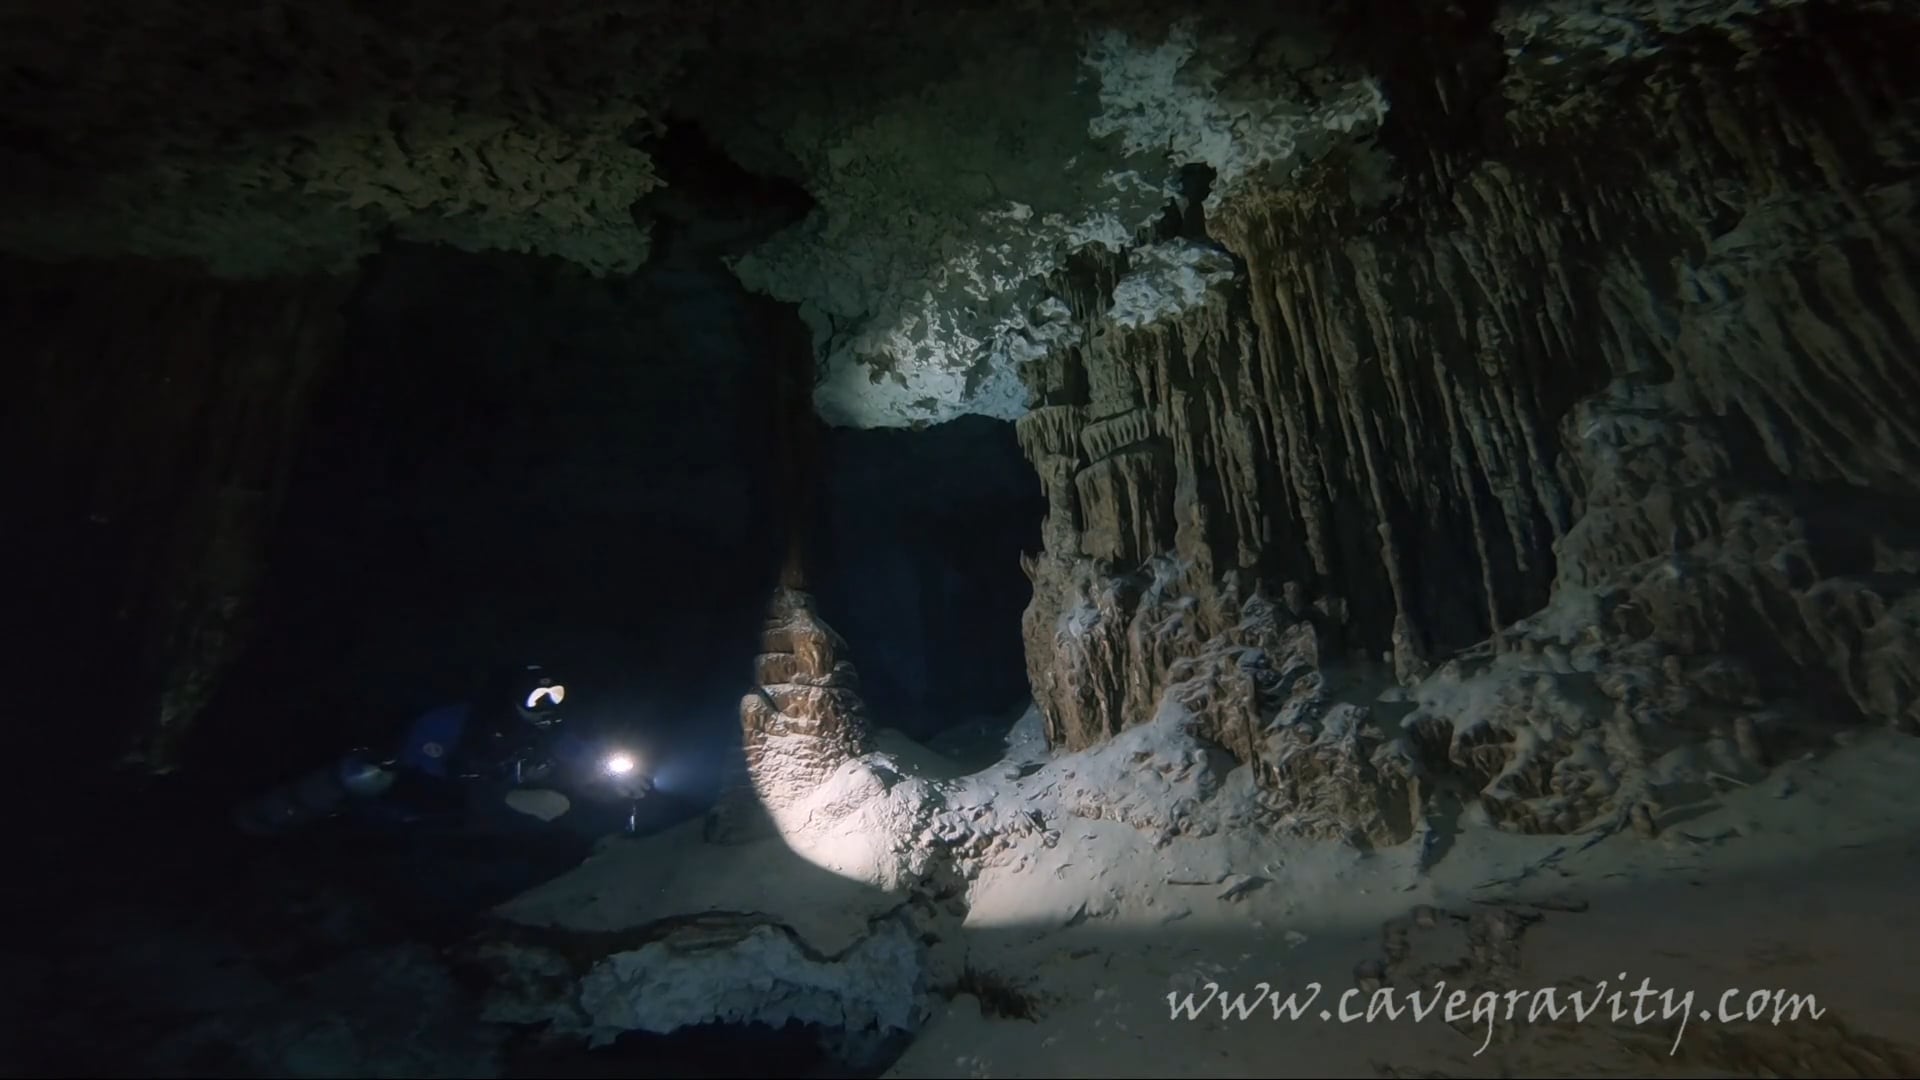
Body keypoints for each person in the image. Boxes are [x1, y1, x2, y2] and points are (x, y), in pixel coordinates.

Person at [233, 663, 652, 837]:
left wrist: (621, 775)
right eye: (538, 700)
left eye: (556, 696)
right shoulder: (450, 724)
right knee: (359, 784)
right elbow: (418, 779)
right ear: (510, 700)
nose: (549, 709)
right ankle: (263, 821)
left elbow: (583, 752)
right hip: (409, 802)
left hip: (469, 809)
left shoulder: (547, 733)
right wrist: (503, 797)